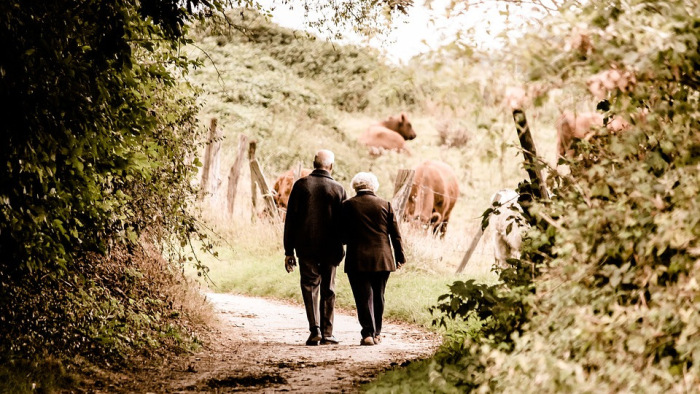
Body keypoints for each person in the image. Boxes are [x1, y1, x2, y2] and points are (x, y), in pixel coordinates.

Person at [283, 150, 347, 346]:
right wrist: (343, 244)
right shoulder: (338, 189)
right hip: (331, 248)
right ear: (331, 167)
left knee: (310, 287)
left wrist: (288, 251)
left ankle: (315, 330)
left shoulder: (301, 185)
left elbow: (290, 221)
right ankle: (328, 333)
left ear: (313, 164)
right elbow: (344, 222)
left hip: (306, 246)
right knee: (328, 288)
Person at [341, 172, 405, 346]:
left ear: (355, 186)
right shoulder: (386, 205)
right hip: (383, 258)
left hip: (357, 258)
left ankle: (367, 333)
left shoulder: (347, 205)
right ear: (374, 186)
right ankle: (377, 333)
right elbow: (395, 235)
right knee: (379, 295)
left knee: (362, 297)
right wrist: (399, 257)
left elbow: (342, 235)